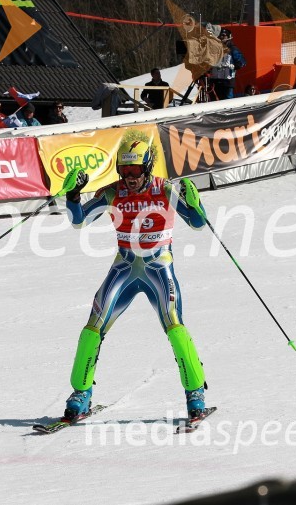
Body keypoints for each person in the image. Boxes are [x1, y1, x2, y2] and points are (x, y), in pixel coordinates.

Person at [60, 134, 209, 422]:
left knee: (174, 324)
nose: (129, 177)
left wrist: (196, 203)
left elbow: (197, 223)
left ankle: (195, 392)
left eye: (135, 171)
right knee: (93, 327)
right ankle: (81, 393)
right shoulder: (112, 192)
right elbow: (80, 221)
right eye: (124, 171)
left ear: (148, 167)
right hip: (125, 267)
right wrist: (73, 195)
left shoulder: (164, 189)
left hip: (158, 266)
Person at [209, 28, 246, 100]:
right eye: (220, 36)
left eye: (223, 35)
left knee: (227, 100)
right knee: (213, 101)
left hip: (227, 81)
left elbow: (242, 62)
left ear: (229, 37)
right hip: (215, 81)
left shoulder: (233, 49)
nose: (221, 37)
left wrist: (235, 66)